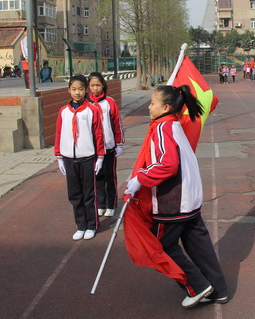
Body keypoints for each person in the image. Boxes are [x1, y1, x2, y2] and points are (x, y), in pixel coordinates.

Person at [124, 85, 228, 308]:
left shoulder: (163, 128)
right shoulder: (173, 124)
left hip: (172, 199)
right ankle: (219, 290)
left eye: (152, 102)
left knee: (159, 247)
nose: (149, 106)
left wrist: (139, 178)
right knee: (200, 246)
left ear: (166, 107)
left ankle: (198, 286)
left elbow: (167, 165)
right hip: (189, 197)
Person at [54, 75, 105, 241]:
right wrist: (59, 156)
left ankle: (91, 225)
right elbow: (59, 134)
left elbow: (98, 134)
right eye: (74, 89)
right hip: (69, 159)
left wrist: (100, 157)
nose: (77, 93)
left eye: (81, 89)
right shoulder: (63, 112)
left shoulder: (92, 110)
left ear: (86, 90)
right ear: (68, 90)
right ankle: (80, 225)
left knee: (89, 194)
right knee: (74, 195)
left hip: (87, 158)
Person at [88, 72, 124, 218]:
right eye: (92, 85)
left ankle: (111, 204)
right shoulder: (86, 103)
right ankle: (101, 204)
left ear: (103, 85)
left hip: (108, 147)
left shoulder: (110, 102)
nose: (95, 88)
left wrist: (119, 143)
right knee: (97, 177)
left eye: (98, 85)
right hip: (92, 149)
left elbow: (117, 124)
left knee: (110, 176)